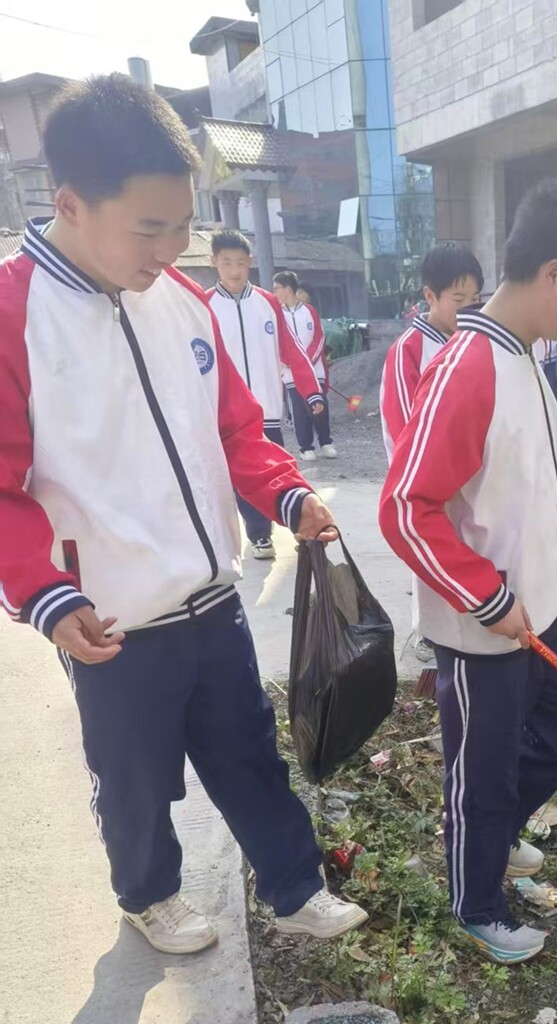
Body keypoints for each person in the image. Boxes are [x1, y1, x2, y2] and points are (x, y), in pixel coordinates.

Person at [0, 75, 367, 955]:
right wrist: (43, 592)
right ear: (72, 204)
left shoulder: (182, 301)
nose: (171, 250)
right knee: (133, 776)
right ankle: (149, 894)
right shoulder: (14, 316)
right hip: (113, 622)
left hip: (212, 594)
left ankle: (294, 887)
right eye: (149, 228)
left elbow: (236, 428)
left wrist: (287, 493)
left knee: (248, 751)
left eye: (183, 226)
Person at [378, 177, 557, 964]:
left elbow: (517, 486)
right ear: (554, 274)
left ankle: (487, 831)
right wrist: (487, 597)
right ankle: (477, 902)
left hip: (543, 606)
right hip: (485, 627)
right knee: (482, 772)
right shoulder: (469, 366)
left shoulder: (526, 356)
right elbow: (404, 507)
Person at [208, 230, 325, 560]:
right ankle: (258, 533)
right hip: (225, 415)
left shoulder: (268, 304)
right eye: (227, 263)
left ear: (250, 263)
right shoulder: (203, 306)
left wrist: (311, 392)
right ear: (213, 261)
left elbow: (292, 350)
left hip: (267, 409)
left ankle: (280, 524)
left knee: (271, 470)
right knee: (239, 475)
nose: (234, 271)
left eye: (240, 263)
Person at [380, 241, 484, 461]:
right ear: (430, 296)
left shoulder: (476, 343)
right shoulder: (407, 351)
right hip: (427, 474)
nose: (469, 308)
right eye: (458, 299)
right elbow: (407, 435)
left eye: (475, 299)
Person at [272, 270, 336, 462]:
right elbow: (276, 343)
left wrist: (306, 362)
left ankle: (326, 442)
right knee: (299, 410)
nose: (274, 293)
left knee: (319, 405)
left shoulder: (309, 311)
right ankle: (305, 446)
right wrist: (290, 363)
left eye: (276, 288)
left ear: (287, 289)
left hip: (315, 370)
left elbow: (319, 338)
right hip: (290, 372)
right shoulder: (276, 315)